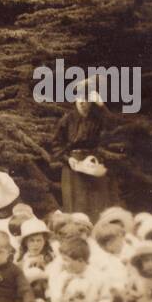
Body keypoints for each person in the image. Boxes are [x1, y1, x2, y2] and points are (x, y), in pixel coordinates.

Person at [50, 82, 116, 217]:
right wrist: (68, 160)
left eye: (86, 98)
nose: (82, 102)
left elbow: (113, 128)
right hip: (73, 166)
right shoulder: (67, 120)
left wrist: (102, 106)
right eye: (79, 97)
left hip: (93, 163)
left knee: (97, 205)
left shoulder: (98, 119)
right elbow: (56, 144)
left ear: (92, 101)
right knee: (76, 207)